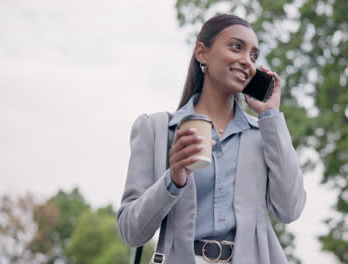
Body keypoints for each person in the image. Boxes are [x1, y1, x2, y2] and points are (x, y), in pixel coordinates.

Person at [117, 14, 306, 264]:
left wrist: (271, 116)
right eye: (236, 47)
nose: (247, 62)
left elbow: (289, 210)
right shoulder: (156, 130)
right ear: (201, 53)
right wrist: (172, 180)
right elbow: (131, 232)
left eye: (253, 55)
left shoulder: (264, 134)